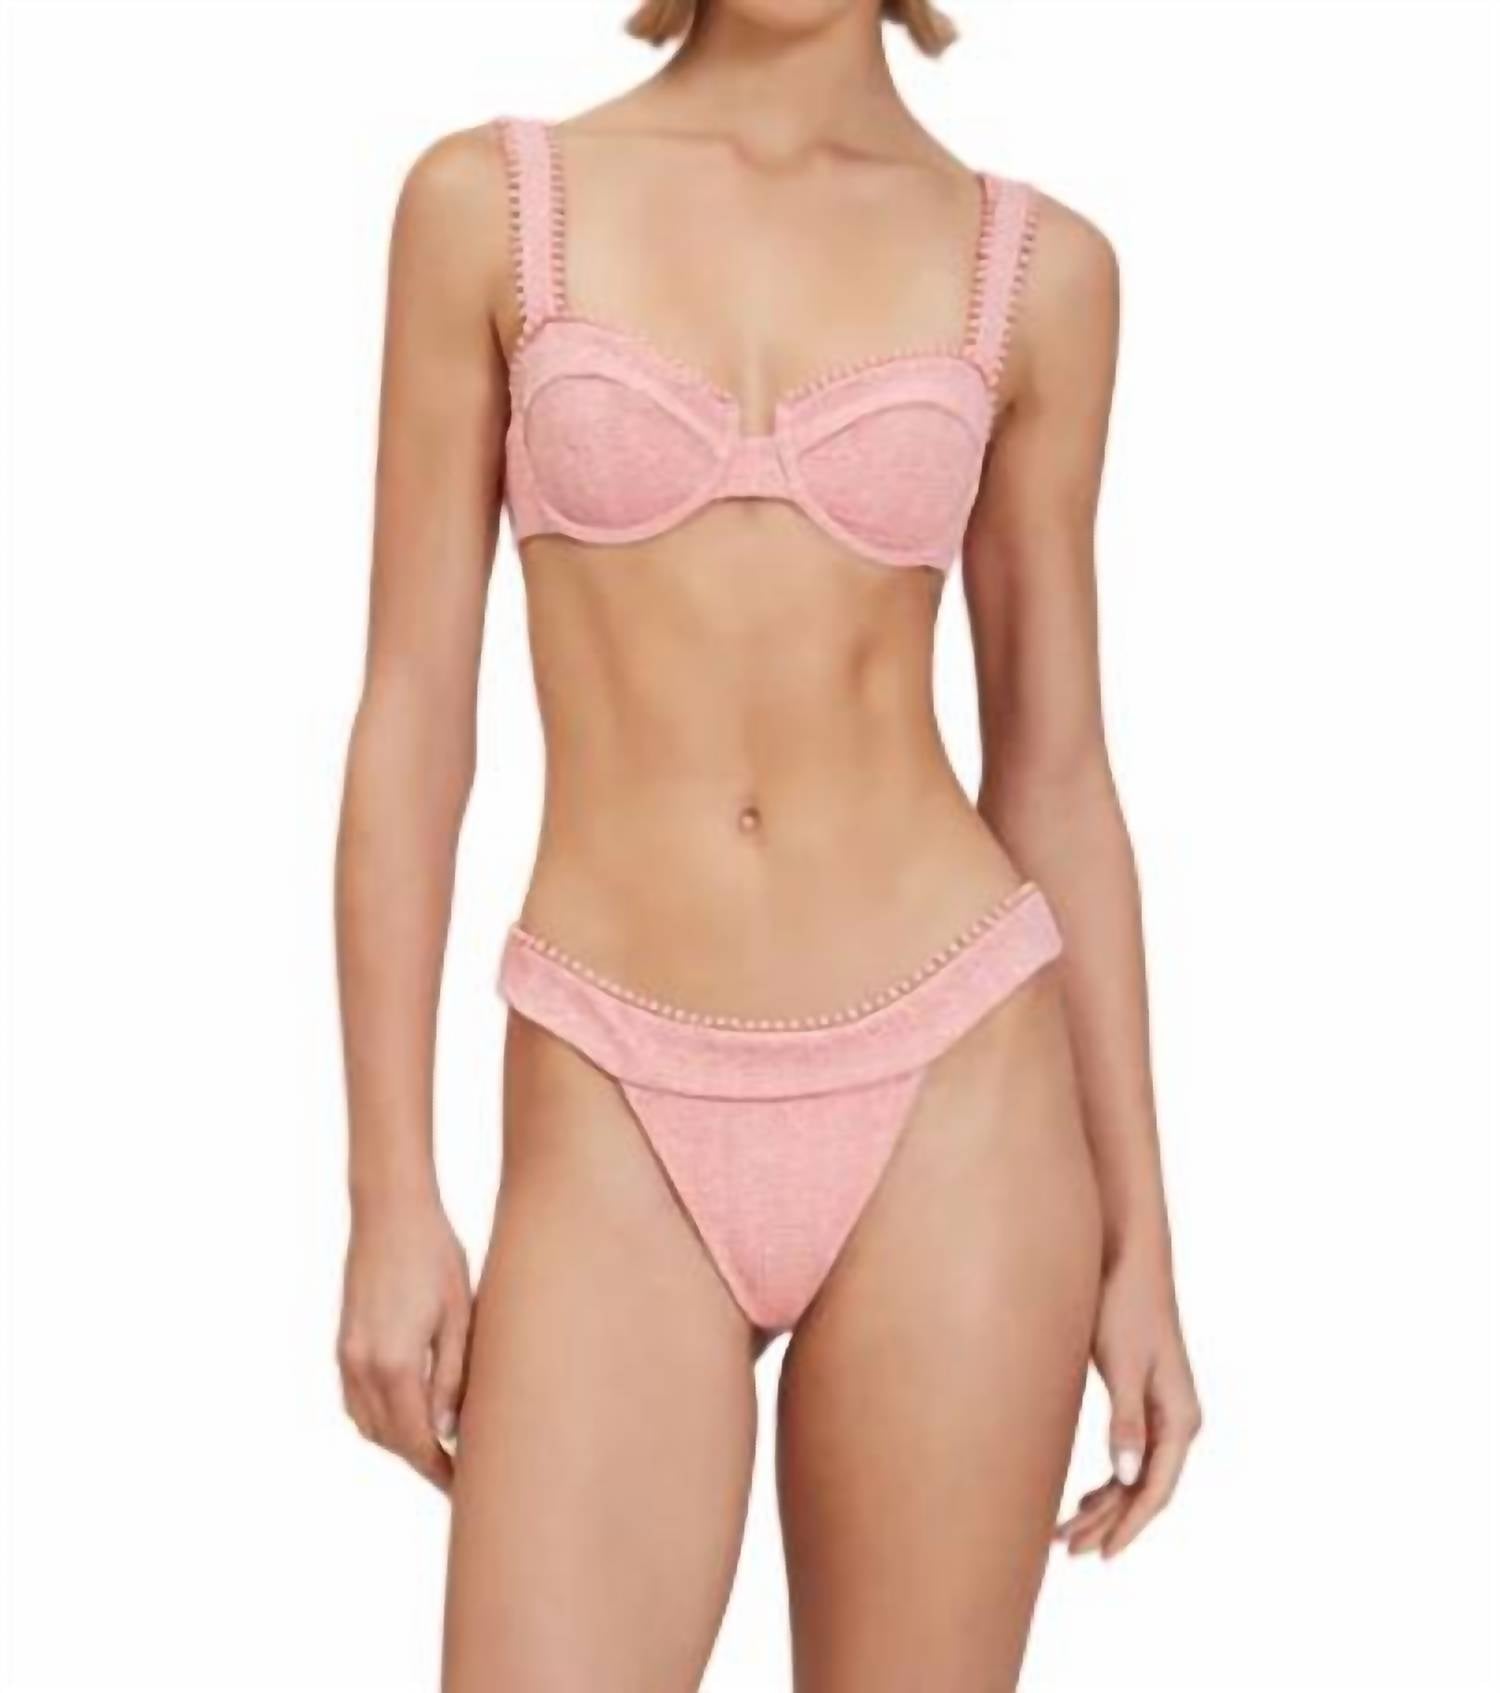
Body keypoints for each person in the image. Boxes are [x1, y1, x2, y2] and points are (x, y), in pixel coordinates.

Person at [334, 0, 1201, 1685]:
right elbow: (412, 719)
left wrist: (1143, 1237)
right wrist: (388, 1187)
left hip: (960, 1075)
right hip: (609, 1076)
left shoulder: (1039, 270)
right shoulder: (489, 207)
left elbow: (1057, 770)